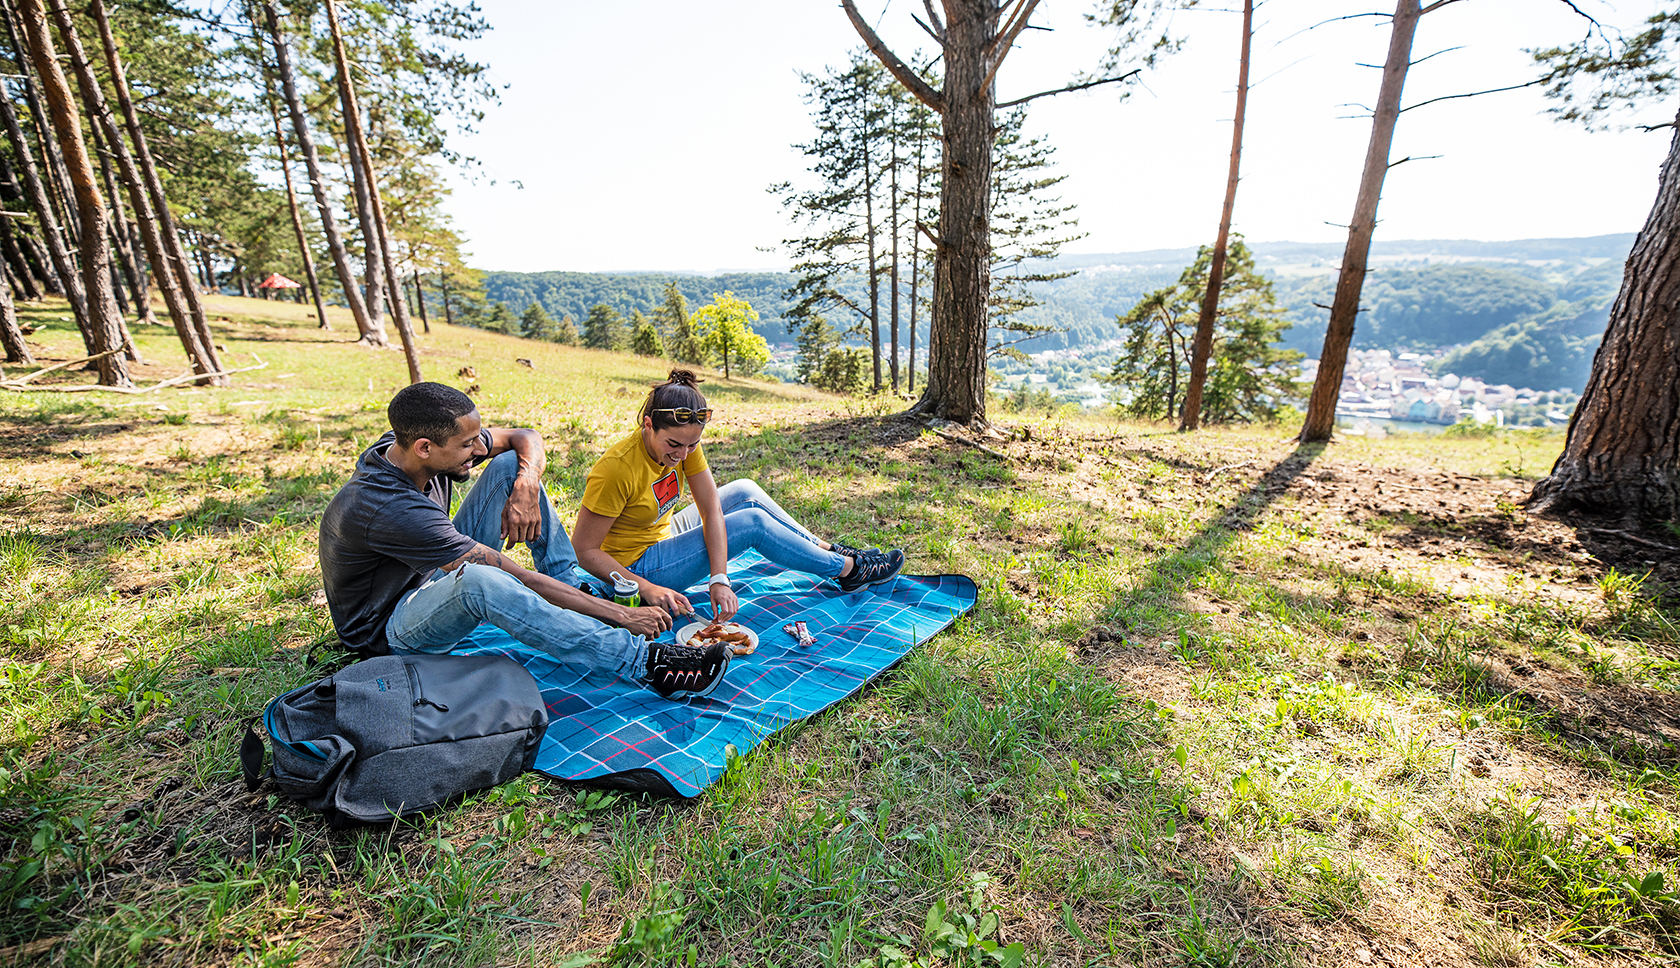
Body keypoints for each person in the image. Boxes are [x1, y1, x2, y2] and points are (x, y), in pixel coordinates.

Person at [318, 382, 731, 699]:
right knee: (481, 580)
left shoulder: (403, 447)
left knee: (508, 466)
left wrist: (526, 484)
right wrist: (619, 614)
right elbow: (520, 578)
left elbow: (525, 436)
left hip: (427, 576)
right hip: (390, 632)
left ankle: (571, 584)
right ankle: (649, 664)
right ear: (425, 448)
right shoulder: (389, 508)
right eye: (466, 446)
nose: (476, 450)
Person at [571, 369, 904, 620]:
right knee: (751, 523)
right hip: (635, 568)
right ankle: (848, 570)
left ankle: (826, 549)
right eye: (674, 445)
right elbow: (584, 551)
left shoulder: (684, 443)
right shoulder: (616, 469)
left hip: (661, 535)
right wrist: (645, 588)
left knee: (745, 489)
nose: (683, 455)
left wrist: (719, 578)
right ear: (648, 425)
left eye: (692, 445)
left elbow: (711, 509)